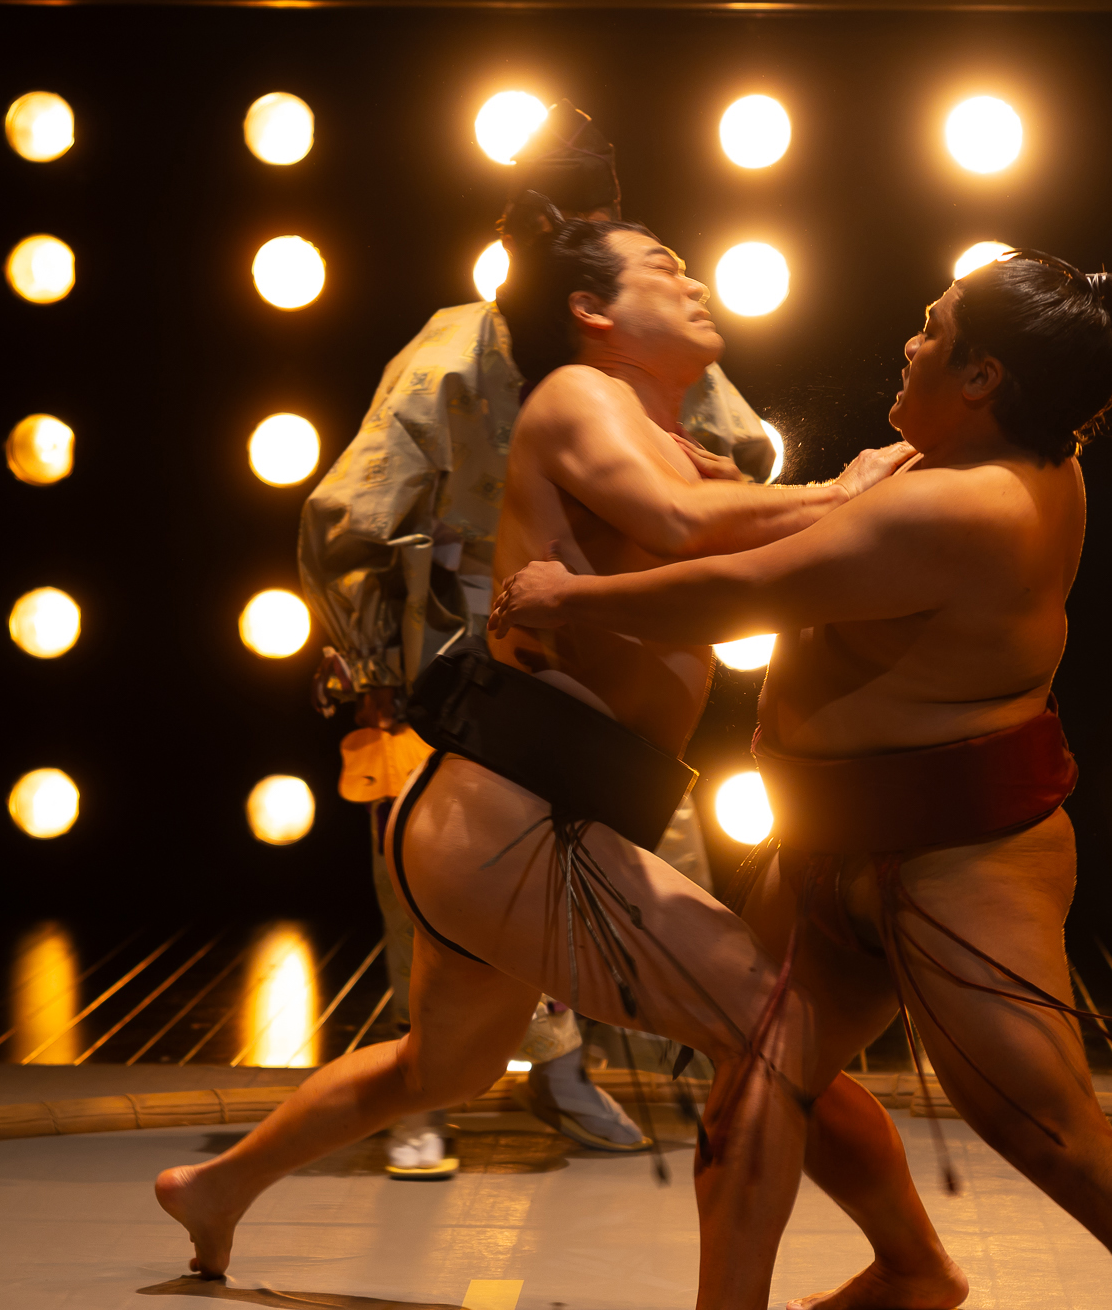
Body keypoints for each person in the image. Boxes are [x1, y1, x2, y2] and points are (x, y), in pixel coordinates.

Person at [491, 250, 1112, 1310]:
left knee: (1052, 1134)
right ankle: (846, 1295)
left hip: (958, 862)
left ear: (984, 376)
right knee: (763, 1079)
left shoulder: (965, 504)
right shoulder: (955, 467)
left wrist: (566, 598)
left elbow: (741, 593)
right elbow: (815, 524)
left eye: (933, 330)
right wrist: (744, 487)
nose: (909, 343)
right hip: (833, 847)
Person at [160, 198, 954, 1310]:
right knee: (771, 1024)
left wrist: (848, 500)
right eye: (663, 268)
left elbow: (743, 534)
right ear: (592, 310)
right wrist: (850, 488)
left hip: (508, 818)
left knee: (445, 1061)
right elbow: (689, 529)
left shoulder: (679, 440)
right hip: (515, 819)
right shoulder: (578, 397)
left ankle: (214, 1187)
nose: (693, 282)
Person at [300, 104, 769, 1176]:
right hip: (462, 642)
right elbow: (351, 511)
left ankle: (602, 1071)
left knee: (647, 861)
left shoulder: (638, 341)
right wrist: (372, 659)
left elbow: (734, 450)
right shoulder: (451, 349)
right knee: (454, 884)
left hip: (609, 631)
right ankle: (433, 1087)